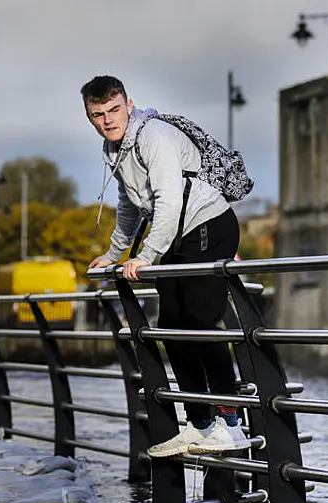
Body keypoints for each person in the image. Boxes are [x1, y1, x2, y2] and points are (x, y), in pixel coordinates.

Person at [82, 75, 247, 457]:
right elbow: (128, 205)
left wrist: (147, 254)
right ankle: (199, 424)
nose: (107, 120)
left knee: (201, 323)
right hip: (177, 234)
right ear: (89, 117)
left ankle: (232, 425)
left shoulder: (153, 136)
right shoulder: (114, 150)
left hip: (208, 225)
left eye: (113, 110)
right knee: (172, 328)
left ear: (129, 104)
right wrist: (114, 254)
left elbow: (169, 199)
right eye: (98, 115)